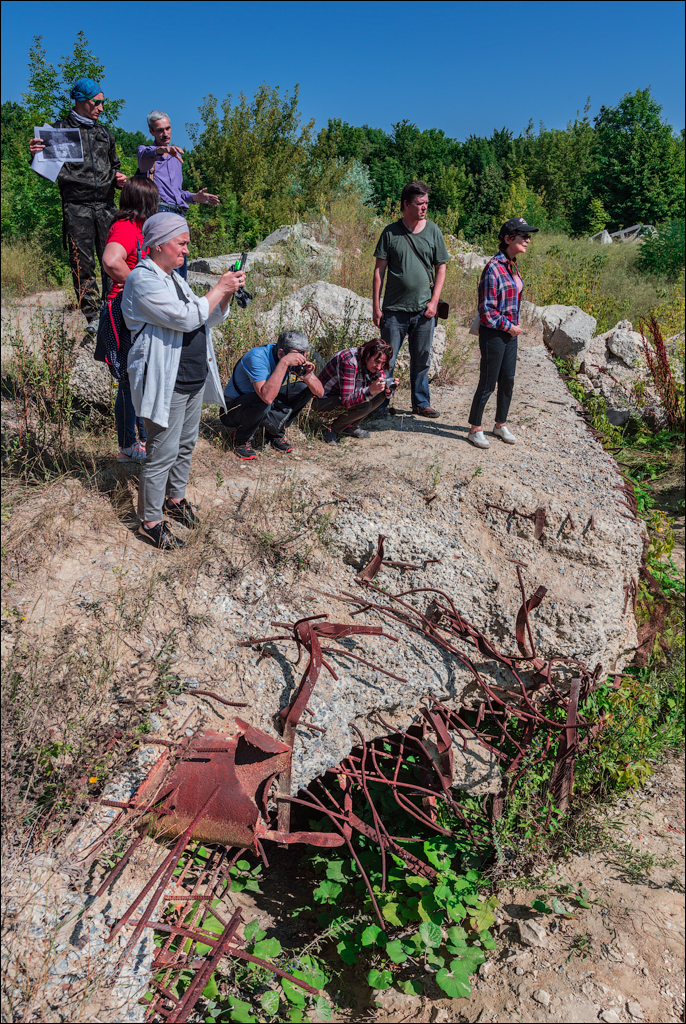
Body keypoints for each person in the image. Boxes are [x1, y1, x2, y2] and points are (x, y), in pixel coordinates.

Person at [121, 213, 245, 549]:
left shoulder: (174, 278)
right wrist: (218, 287)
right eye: (182, 243)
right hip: (166, 380)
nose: (186, 250)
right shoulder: (142, 280)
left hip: (191, 376)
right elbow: (186, 316)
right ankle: (150, 521)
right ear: (159, 243)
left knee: (185, 445)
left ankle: (173, 501)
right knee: (162, 451)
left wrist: (228, 291)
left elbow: (208, 316)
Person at [28, 78, 127, 337]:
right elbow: (44, 170)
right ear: (81, 101)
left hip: (106, 206)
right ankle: (93, 315)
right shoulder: (58, 131)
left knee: (113, 260)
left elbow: (114, 166)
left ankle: (113, 309)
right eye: (97, 102)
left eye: (102, 103)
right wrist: (35, 154)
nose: (101, 108)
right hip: (77, 207)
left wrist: (119, 180)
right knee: (82, 263)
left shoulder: (105, 133)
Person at [372, 181, 450, 419]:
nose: (424, 207)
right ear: (406, 204)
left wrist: (434, 301)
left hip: (424, 310)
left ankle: (421, 402)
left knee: (421, 359)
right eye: (419, 203)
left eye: (426, 203)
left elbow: (441, 267)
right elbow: (379, 271)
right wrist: (376, 306)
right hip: (394, 311)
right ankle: (380, 405)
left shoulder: (433, 231)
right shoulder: (390, 232)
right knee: (387, 361)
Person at [467, 217, 539, 449]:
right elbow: (486, 311)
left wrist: (513, 328)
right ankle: (475, 429)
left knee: (507, 380)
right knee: (488, 382)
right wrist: (510, 326)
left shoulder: (512, 264)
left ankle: (500, 424)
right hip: (495, 334)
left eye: (529, 236)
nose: (528, 240)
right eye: (523, 236)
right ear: (508, 238)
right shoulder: (493, 268)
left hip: (510, 334)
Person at [102, 176, 160, 464]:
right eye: (154, 201)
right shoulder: (125, 228)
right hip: (123, 310)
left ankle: (143, 438)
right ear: (144, 202)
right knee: (128, 378)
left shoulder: (141, 230)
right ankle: (127, 445)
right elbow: (111, 261)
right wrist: (137, 283)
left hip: (137, 310)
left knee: (141, 376)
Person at [136, 111, 220, 280]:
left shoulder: (176, 158)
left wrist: (195, 197)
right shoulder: (145, 153)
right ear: (151, 131)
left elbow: (177, 192)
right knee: (164, 267)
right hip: (159, 212)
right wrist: (163, 150)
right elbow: (146, 155)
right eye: (160, 130)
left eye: (168, 128)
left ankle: (181, 304)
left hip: (178, 214)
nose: (165, 133)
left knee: (180, 265)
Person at [221, 331, 324, 460]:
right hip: (232, 409)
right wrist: (284, 363)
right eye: (296, 357)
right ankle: (241, 439)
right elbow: (267, 397)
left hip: (261, 402)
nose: (300, 360)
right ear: (281, 353)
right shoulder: (257, 356)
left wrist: (307, 376)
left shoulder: (290, 357)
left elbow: (319, 392)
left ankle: (274, 433)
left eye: (303, 355)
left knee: (305, 388)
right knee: (263, 399)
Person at [313, 339, 397, 445]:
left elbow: (383, 387)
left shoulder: (372, 362)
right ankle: (331, 430)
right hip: (321, 401)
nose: (379, 367)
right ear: (367, 355)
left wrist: (389, 388)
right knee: (364, 405)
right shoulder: (349, 361)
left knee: (381, 393)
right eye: (377, 361)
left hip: (340, 396)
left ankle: (348, 426)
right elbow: (347, 401)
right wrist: (371, 389)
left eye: (383, 363)